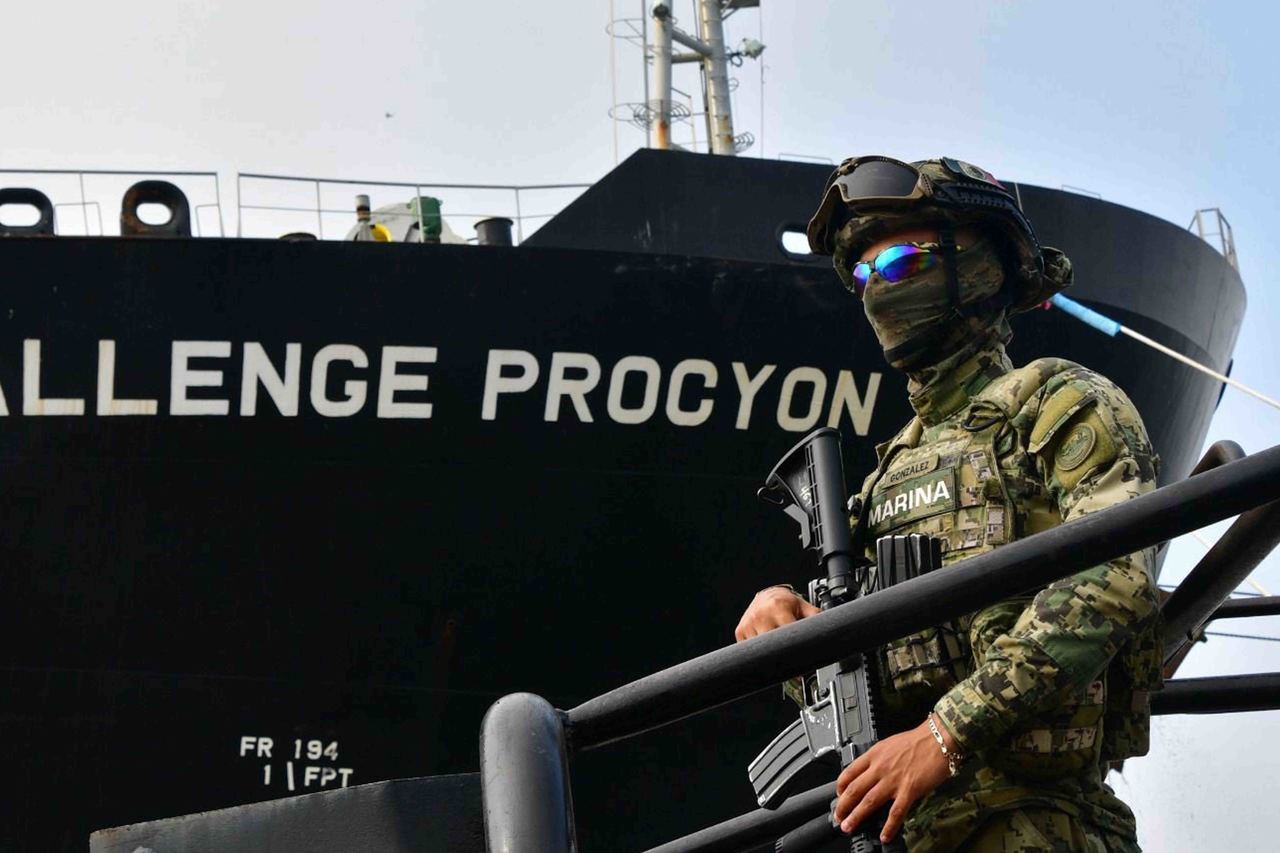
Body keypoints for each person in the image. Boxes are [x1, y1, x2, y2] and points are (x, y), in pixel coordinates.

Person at [734, 156, 1163, 852]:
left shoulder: (1056, 402)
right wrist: (790, 626)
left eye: (902, 261)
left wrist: (947, 733)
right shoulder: (887, 474)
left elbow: (1115, 575)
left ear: (981, 266)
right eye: (866, 275)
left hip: (1039, 822)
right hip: (910, 829)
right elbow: (871, 671)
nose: (880, 288)